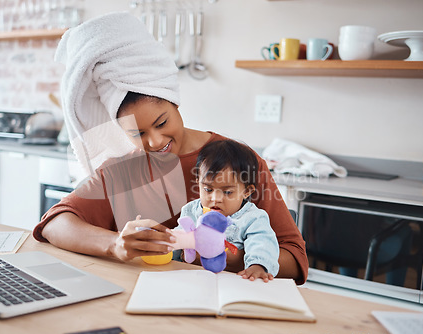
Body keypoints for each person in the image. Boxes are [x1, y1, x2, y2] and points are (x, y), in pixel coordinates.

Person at [33, 12, 308, 284]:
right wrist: (115, 244)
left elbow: (295, 260)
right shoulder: (122, 171)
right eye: (137, 133)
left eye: (161, 122)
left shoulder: (238, 162)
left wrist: (220, 254)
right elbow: (54, 224)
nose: (154, 141)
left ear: (174, 102)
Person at [173, 139, 279, 282]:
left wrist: (258, 265)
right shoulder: (191, 210)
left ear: (247, 191)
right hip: (193, 279)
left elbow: (262, 243)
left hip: (231, 282)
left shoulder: (253, 218)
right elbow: (177, 238)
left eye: (227, 192)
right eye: (208, 189)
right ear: (198, 182)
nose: (215, 199)